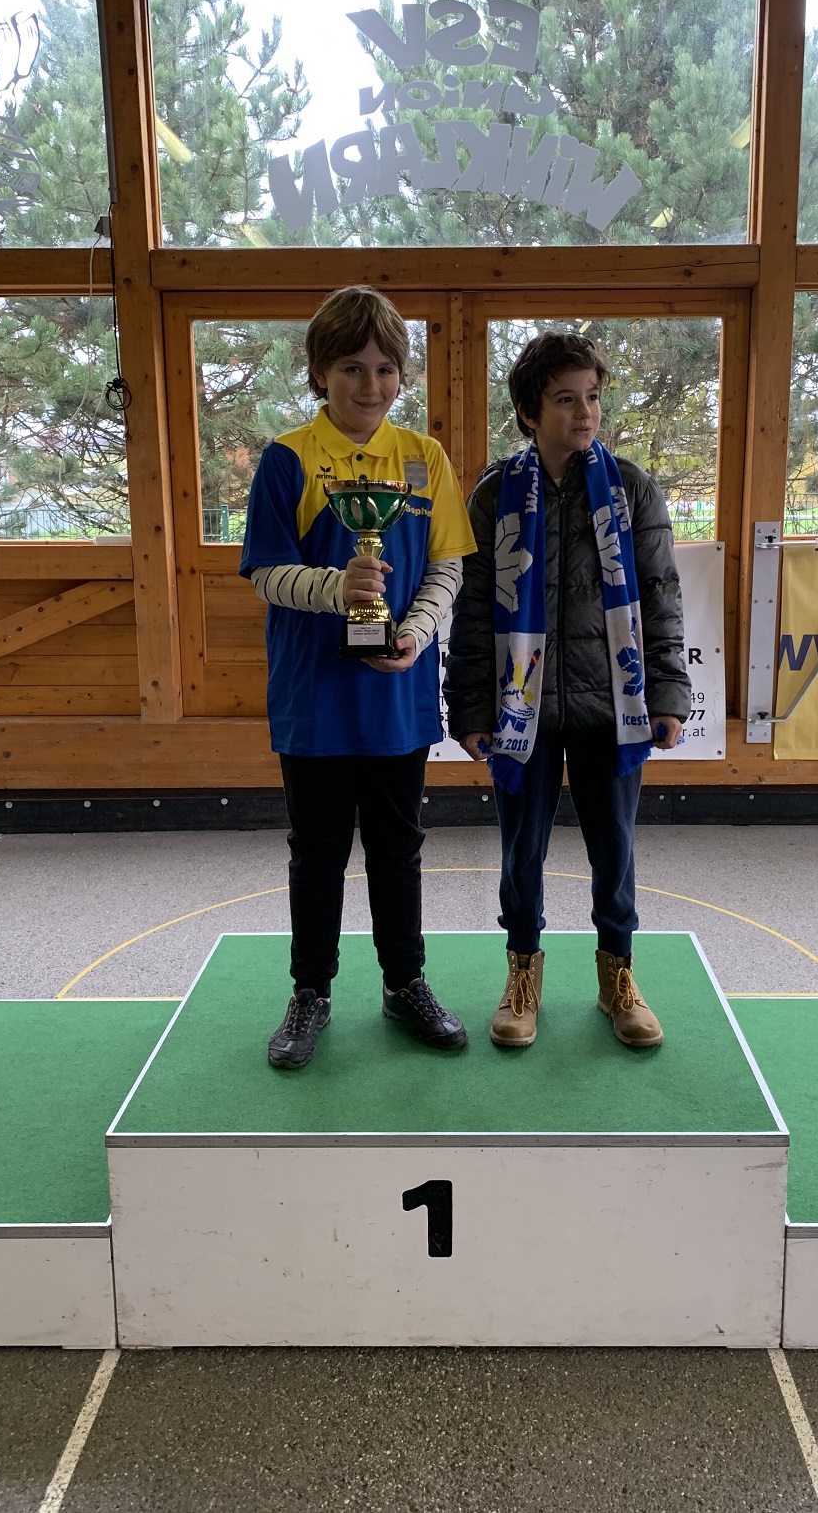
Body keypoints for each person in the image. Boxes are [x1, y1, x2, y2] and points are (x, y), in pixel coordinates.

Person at [240, 286, 477, 1070]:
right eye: (351, 368)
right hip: (314, 698)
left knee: (398, 847)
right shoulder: (287, 459)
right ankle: (310, 992)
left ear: (400, 374)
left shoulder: (425, 458)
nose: (369, 385)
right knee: (317, 851)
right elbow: (267, 573)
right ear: (319, 372)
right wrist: (334, 588)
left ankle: (404, 982)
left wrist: (415, 631)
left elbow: (446, 567)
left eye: (384, 369)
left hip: (397, 693)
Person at [444, 332, 690, 1049]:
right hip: (520, 710)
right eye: (564, 399)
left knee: (615, 852)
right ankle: (522, 978)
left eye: (592, 397)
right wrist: (470, 707)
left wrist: (668, 692)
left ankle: (619, 980)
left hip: (612, 705)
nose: (584, 412)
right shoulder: (493, 495)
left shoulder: (632, 488)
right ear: (529, 411)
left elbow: (661, 596)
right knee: (521, 855)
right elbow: (473, 610)